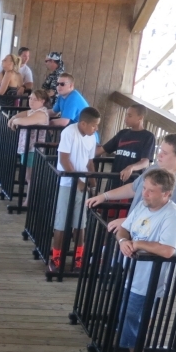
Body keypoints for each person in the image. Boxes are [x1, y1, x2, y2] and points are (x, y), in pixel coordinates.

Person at [113, 169, 176, 352]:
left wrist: (138, 243)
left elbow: (168, 249)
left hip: (148, 279)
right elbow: (123, 229)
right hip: (130, 273)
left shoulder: (173, 215)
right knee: (128, 316)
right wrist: (124, 241)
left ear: (166, 194)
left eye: (151, 191)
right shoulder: (142, 206)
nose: (144, 194)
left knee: (136, 319)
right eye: (144, 188)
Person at [86, 133, 176, 227]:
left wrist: (129, 222)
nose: (159, 155)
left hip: (154, 245)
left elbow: (168, 220)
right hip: (136, 232)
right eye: (160, 150)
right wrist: (104, 196)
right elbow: (133, 188)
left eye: (165, 153)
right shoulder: (156, 167)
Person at [51, 106, 100, 271]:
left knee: (81, 223)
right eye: (94, 126)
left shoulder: (92, 138)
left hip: (83, 185)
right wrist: (77, 181)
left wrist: (93, 183)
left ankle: (78, 259)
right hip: (67, 184)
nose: (96, 129)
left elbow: (90, 162)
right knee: (62, 222)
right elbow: (64, 159)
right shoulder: (69, 132)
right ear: (84, 123)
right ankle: (56, 258)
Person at [96, 104, 156, 185]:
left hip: (132, 183)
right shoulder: (122, 133)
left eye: (129, 116)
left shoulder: (148, 137)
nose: (125, 118)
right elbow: (102, 150)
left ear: (140, 118)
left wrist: (131, 167)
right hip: (114, 180)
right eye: (126, 115)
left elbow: (145, 162)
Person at [7, 89, 52, 187]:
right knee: (28, 175)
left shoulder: (41, 114)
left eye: (35, 99)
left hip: (34, 148)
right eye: (30, 98)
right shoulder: (33, 111)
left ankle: (29, 199)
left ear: (42, 101)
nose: (31, 101)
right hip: (28, 147)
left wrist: (15, 121)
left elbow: (25, 121)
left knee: (31, 175)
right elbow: (23, 114)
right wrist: (13, 117)